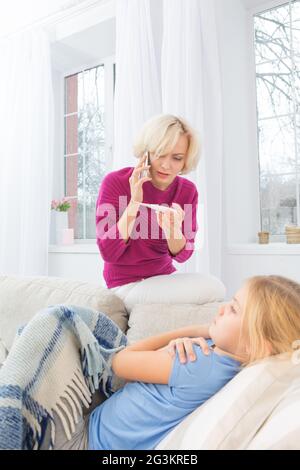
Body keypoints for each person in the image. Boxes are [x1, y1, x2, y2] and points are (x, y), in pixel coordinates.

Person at [53, 275, 300, 450]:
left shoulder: (200, 365)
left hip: (86, 441)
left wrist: (192, 331)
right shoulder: (223, 362)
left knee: (54, 323)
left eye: (234, 309)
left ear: (255, 343)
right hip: (97, 430)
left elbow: (119, 362)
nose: (223, 308)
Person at [95, 114, 200, 295]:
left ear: (185, 160)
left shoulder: (187, 191)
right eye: (160, 154)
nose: (166, 165)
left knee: (213, 288)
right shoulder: (115, 182)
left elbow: (184, 255)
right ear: (146, 153)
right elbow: (108, 253)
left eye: (177, 158)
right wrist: (134, 203)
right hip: (123, 283)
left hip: (162, 278)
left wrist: (173, 229)